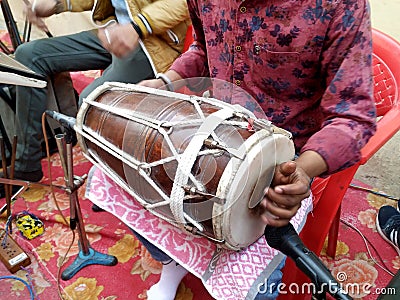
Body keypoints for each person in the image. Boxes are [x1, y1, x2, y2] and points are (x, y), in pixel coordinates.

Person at [83, 0, 377, 299]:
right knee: (123, 180)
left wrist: (301, 170)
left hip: (288, 151)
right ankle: (172, 262)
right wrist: (166, 82)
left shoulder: (341, 5)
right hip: (213, 122)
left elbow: (353, 115)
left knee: (253, 275)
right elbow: (202, 48)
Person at [0, 0, 190, 198]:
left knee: (90, 103)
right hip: (113, 31)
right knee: (29, 55)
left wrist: (137, 27)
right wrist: (58, 4)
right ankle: (25, 164)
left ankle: (117, 187)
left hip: (154, 43)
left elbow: (185, 3)